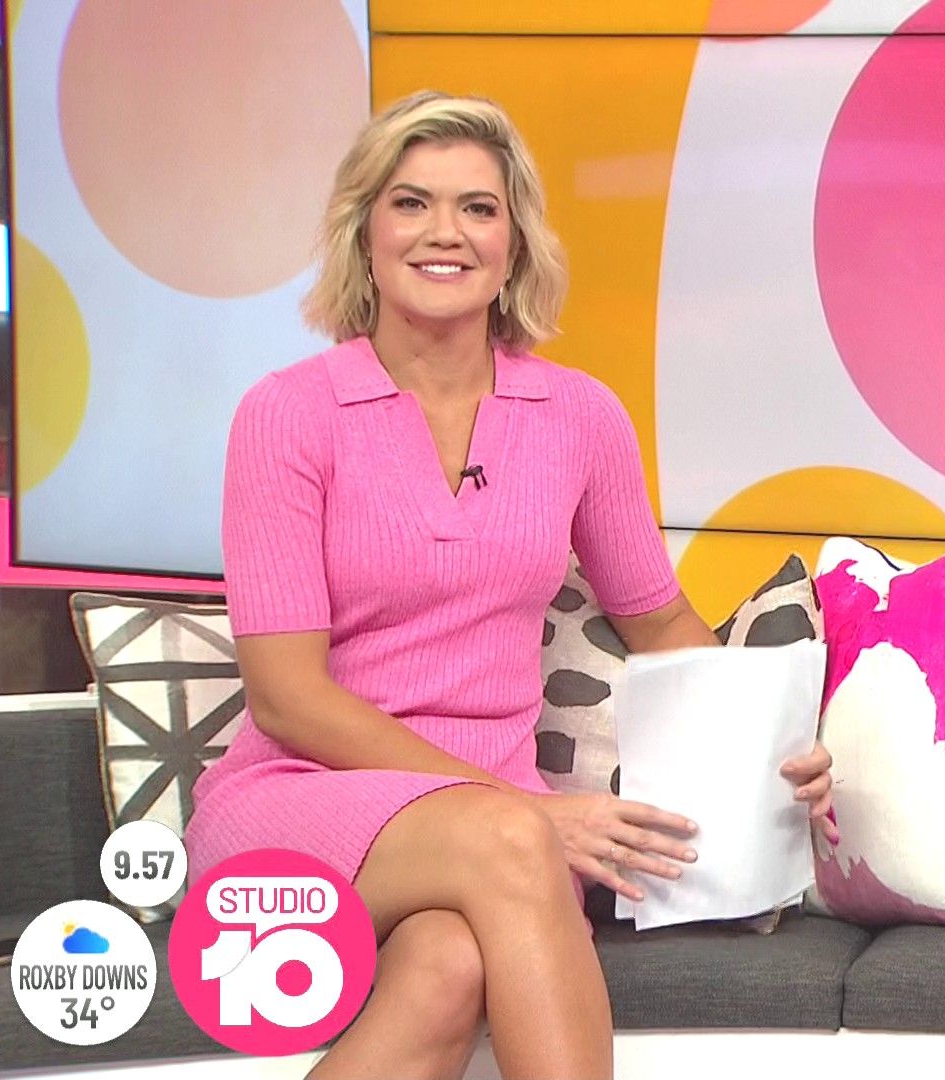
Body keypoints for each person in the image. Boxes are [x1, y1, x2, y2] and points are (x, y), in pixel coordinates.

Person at [185, 91, 836, 1080]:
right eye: (411, 203)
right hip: (303, 806)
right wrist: (526, 813)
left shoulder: (579, 418)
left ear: (514, 244)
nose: (444, 232)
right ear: (365, 233)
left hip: (503, 835)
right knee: (511, 842)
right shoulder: (287, 415)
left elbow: (660, 620)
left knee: (449, 968)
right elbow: (287, 698)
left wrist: (775, 746)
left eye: (477, 208)